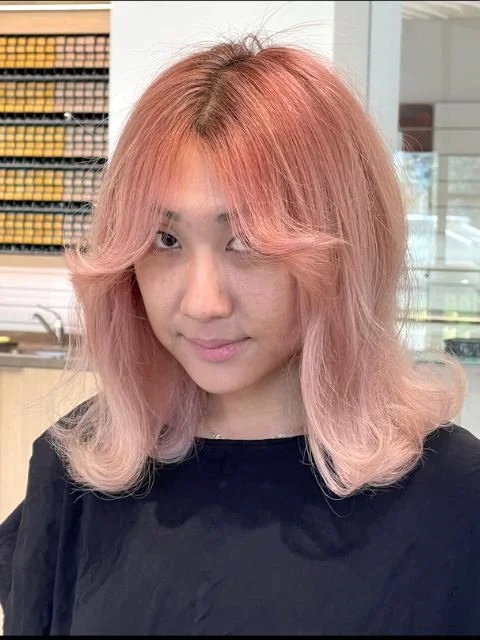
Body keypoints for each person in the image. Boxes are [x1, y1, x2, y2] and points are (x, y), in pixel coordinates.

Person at [1, 34, 479, 636]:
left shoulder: (453, 500)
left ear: (347, 250)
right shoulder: (78, 471)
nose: (203, 303)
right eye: (165, 240)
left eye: (248, 242)